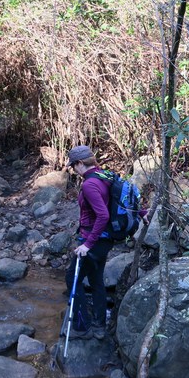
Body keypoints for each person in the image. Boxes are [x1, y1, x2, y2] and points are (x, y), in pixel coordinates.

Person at [65, 145, 113, 340]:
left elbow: (103, 215)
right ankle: (100, 325)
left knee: (72, 279)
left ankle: (81, 325)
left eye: (73, 166)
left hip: (93, 241)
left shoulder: (89, 185)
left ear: (79, 163)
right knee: (96, 280)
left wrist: (87, 245)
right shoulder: (105, 176)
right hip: (105, 240)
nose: (73, 170)